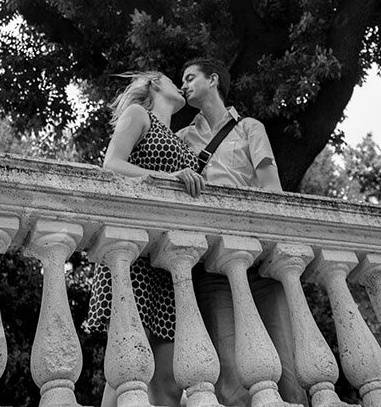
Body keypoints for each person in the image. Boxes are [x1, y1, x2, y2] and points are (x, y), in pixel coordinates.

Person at [178, 56, 306, 407]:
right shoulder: (182, 138)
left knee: (290, 371)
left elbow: (271, 190)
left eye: (190, 78)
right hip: (212, 263)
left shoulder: (250, 127)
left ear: (213, 80)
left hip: (262, 264)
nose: (184, 85)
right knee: (231, 378)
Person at [85, 71, 205, 407]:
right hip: (133, 257)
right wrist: (170, 178)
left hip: (168, 269)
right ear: (154, 83)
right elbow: (112, 163)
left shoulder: (181, 139)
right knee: (128, 373)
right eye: (171, 78)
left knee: (168, 385)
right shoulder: (139, 115)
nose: (178, 84)